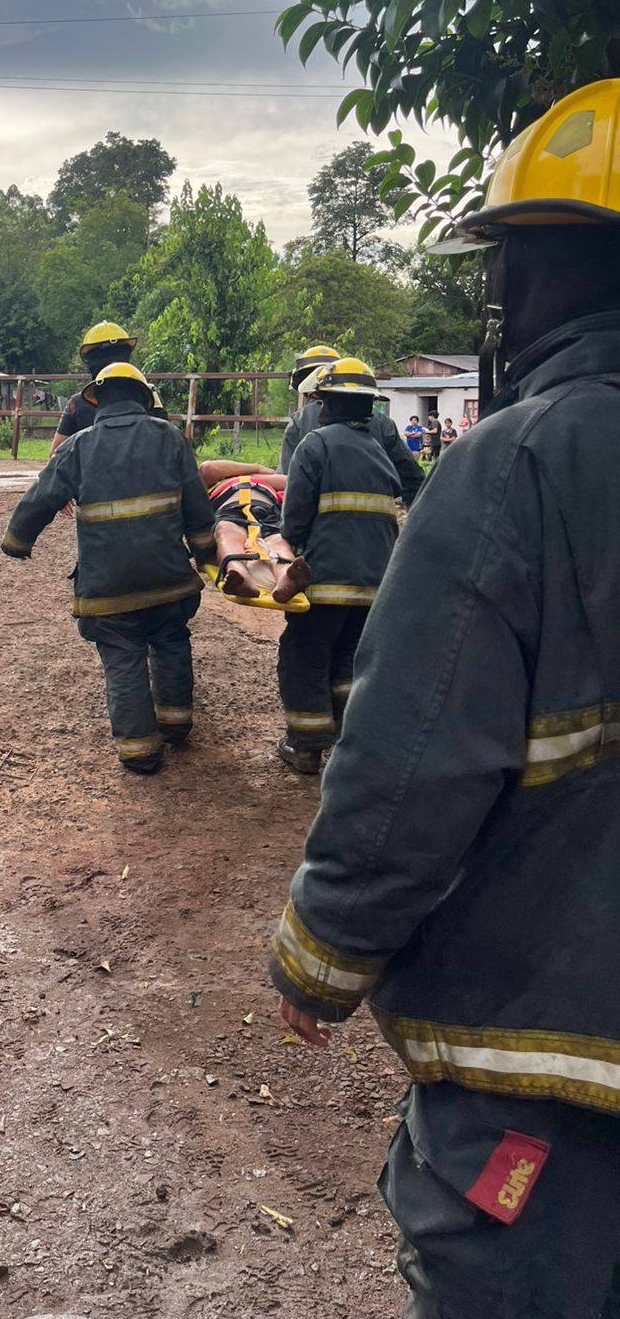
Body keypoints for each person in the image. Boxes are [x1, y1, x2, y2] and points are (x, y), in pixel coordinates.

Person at [270, 77, 620, 1317]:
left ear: (552, 274)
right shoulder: (411, 450)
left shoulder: (518, 461)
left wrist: (323, 955)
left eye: (510, 264)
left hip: (551, 1073)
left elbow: (415, 758)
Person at [2, 363, 217, 774]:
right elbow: (197, 509)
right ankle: (175, 724)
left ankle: (140, 752)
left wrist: (17, 542)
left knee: (123, 658)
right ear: (142, 398)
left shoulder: (80, 446)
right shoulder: (171, 440)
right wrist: (206, 558)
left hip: (109, 590)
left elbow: (41, 497)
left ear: (98, 401)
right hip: (170, 582)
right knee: (172, 642)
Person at [275, 357, 400, 773]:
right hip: (374, 584)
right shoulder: (379, 451)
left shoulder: (317, 443)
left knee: (305, 655)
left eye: (323, 401)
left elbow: (294, 518)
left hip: (327, 580)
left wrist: (289, 547)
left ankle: (307, 746)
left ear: (330, 404)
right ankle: (348, 746)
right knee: (347, 661)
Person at [280, 345, 424, 506]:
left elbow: (289, 483)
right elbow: (412, 477)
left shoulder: (298, 423)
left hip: (322, 526)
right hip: (378, 525)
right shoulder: (382, 422)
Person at [196, 459, 309, 603]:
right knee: (227, 531)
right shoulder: (207, 484)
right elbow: (208, 468)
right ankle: (238, 574)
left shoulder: (230, 480)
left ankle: (286, 578)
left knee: (278, 540)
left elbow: (291, 482)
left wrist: (248, 475)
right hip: (231, 509)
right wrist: (257, 469)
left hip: (267, 510)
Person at [49, 322, 167, 454]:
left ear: (89, 359)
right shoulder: (148, 394)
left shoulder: (78, 402)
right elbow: (165, 444)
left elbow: (55, 457)